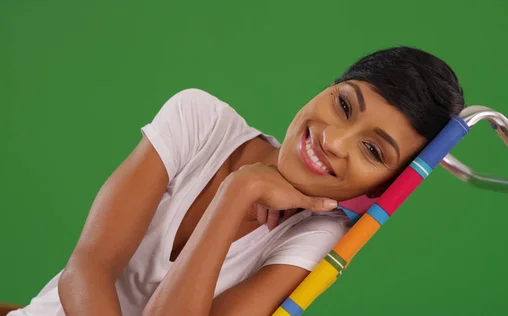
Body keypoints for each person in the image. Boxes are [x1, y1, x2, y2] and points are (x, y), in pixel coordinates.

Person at [9, 46, 465, 316]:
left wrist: (237, 193)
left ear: (384, 186)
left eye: (372, 151)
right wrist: (244, 179)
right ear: (326, 89)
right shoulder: (201, 120)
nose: (336, 141)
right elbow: (86, 270)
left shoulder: (316, 237)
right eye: (344, 105)